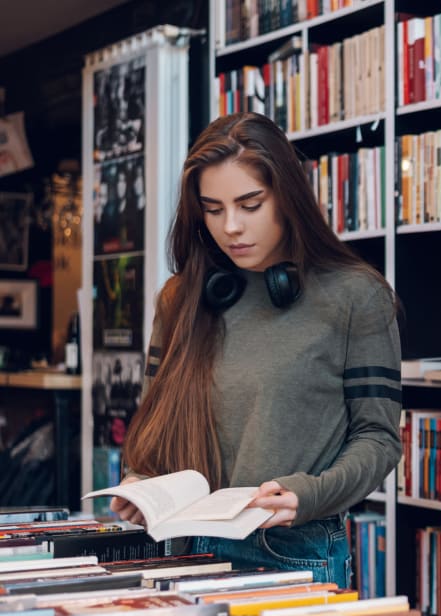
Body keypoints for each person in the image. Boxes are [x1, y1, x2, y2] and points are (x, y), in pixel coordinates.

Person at [110, 112, 402, 585]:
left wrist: (309, 495)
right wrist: (141, 483)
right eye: (213, 208)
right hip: (181, 547)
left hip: (290, 549)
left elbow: (379, 437)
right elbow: (156, 424)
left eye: (250, 204)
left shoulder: (356, 296)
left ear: (287, 197)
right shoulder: (180, 299)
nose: (231, 227)